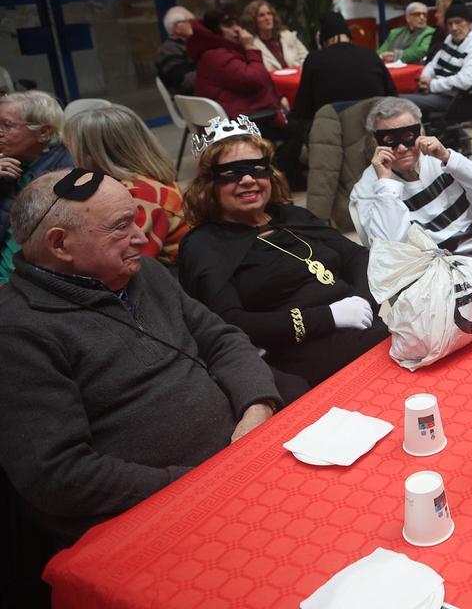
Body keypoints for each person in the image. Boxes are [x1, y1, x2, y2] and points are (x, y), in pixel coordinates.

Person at [0, 168, 280, 547]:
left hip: (243, 458)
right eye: (120, 227)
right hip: (160, 513)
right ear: (60, 245)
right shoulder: (18, 332)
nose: (141, 237)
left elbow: (222, 339)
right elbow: (61, 476)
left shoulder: (140, 271)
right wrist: (200, 481)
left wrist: (257, 407)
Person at [178, 118, 387, 388]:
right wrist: (328, 317)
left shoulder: (291, 216)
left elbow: (358, 257)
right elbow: (231, 323)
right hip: (301, 357)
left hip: (366, 327)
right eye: (231, 173)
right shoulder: (205, 246)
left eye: (257, 169)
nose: (248, 180)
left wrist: (362, 301)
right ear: (209, 183)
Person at [351, 97, 472, 262]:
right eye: (390, 141)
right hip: (444, 272)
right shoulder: (367, 189)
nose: (402, 148)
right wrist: (385, 184)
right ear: (375, 142)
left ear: (421, 133)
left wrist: (449, 158)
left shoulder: (439, 157)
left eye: (407, 136)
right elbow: (391, 251)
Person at [63, 105, 189, 266]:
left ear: (93, 156)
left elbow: (130, 264)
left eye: (72, 149)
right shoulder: (145, 180)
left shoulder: (140, 197)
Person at [0, 91, 72, 286]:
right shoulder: (10, 162)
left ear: (43, 133)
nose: (0, 132)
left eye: (7, 125)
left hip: (25, 284)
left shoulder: (65, 175)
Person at [292, 12, 397, 122]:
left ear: (323, 40)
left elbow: (303, 108)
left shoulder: (314, 60)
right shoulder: (371, 55)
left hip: (332, 130)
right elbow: (392, 96)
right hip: (373, 128)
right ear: (348, 36)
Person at [188, 8, 286, 123]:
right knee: (300, 127)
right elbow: (256, 80)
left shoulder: (222, 50)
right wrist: (250, 47)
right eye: (229, 25)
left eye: (237, 24)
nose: (237, 29)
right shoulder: (215, 56)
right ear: (214, 30)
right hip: (239, 123)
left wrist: (278, 98)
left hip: (239, 113)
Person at [412, 3, 472, 115]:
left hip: (460, 98)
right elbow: (434, 63)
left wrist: (432, 85)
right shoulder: (451, 38)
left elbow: (466, 80)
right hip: (440, 92)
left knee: (403, 102)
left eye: (458, 22)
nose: (454, 28)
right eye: (450, 23)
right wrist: (425, 77)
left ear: (469, 23)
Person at [241, 0, 308, 71]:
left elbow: (306, 58)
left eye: (269, 14)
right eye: (261, 15)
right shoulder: (252, 44)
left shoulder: (287, 36)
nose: (267, 18)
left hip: (296, 78)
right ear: (253, 20)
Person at [155, 6, 196, 95]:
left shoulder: (192, 44)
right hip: (192, 103)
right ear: (177, 27)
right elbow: (186, 83)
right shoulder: (168, 50)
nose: (195, 25)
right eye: (190, 22)